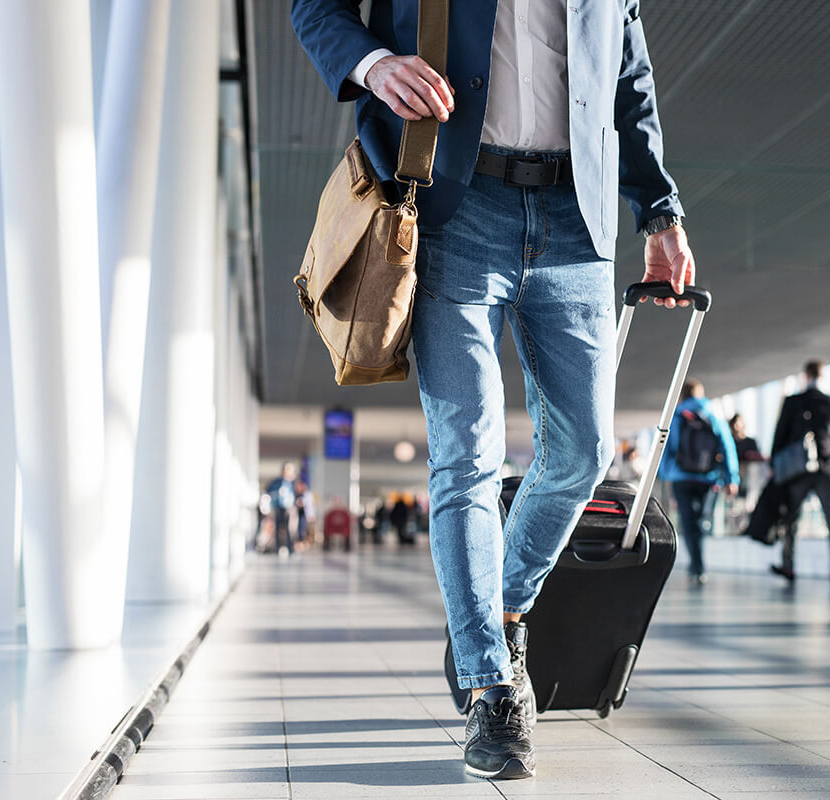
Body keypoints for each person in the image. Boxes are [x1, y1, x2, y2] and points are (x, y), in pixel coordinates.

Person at [293, 0, 694, 780]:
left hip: (576, 223)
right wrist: (375, 65)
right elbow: (318, 9)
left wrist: (660, 211)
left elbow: (628, 76)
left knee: (581, 453)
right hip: (453, 208)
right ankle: (492, 688)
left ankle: (501, 609)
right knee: (467, 457)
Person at [769, 360, 830, 586]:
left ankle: (789, 566)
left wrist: (774, 466)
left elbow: (779, 436)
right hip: (829, 469)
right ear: (823, 376)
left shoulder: (793, 402)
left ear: (806, 376)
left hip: (797, 470)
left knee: (792, 520)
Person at [658, 379, 739, 586]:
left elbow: (665, 447)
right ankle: (699, 560)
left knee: (688, 522)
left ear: (682, 396)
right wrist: (732, 478)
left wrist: (665, 474)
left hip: (681, 478)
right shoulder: (713, 415)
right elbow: (727, 447)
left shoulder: (676, 416)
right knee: (701, 520)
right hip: (709, 479)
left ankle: (697, 566)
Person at [265, 462, 298, 557]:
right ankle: (277, 547)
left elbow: (298, 494)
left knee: (290, 528)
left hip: (289, 508)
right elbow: (269, 491)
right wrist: (277, 493)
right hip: (278, 507)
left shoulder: (293, 482)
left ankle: (290, 547)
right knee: (277, 527)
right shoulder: (277, 482)